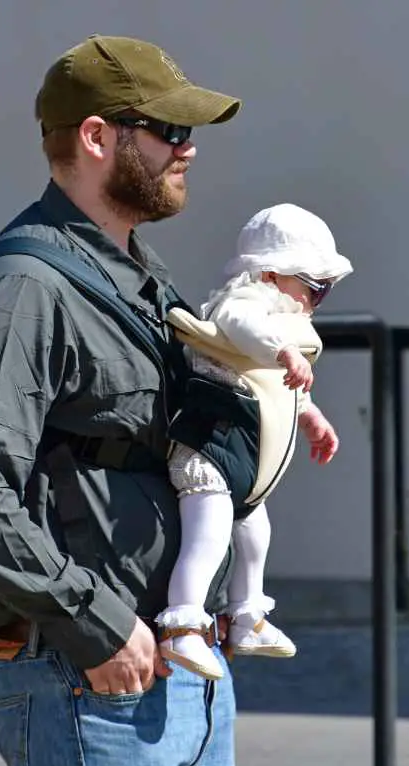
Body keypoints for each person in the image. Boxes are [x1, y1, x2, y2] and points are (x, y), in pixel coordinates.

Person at [0, 34, 333, 766]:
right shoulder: (23, 286)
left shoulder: (144, 279)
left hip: (182, 674)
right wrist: (98, 625)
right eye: (171, 130)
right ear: (97, 136)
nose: (190, 150)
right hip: (87, 678)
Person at [158, 203, 349, 680]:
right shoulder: (242, 303)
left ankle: (247, 616)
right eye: (313, 286)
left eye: (325, 290)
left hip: (247, 463)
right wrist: (284, 350)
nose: (316, 299)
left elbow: (277, 390)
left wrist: (312, 417)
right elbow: (245, 330)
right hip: (212, 451)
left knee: (256, 536)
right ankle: (183, 624)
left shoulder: (282, 327)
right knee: (208, 536)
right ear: (270, 274)